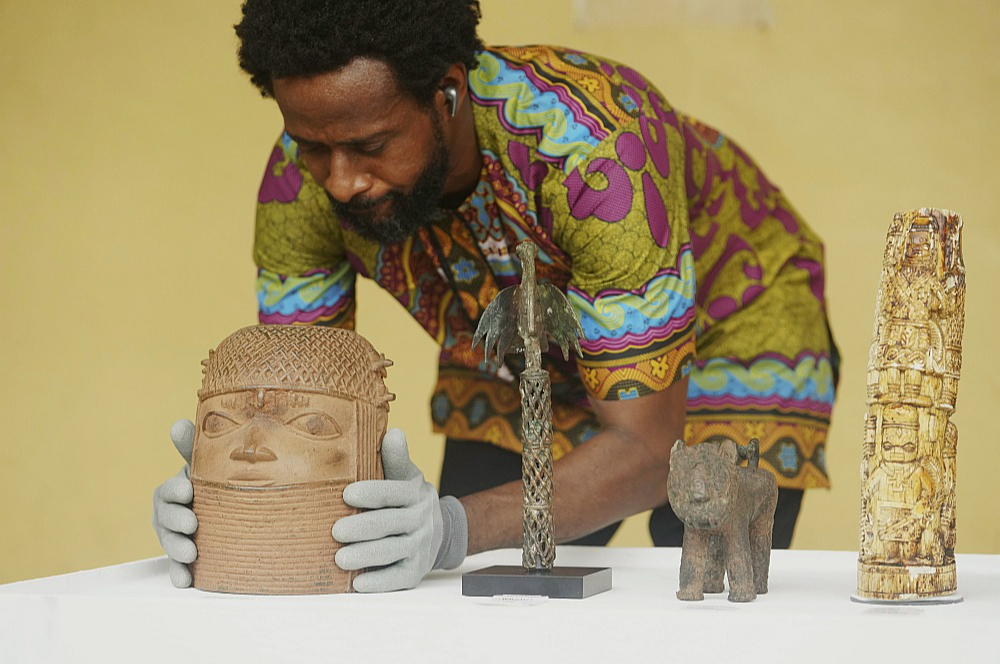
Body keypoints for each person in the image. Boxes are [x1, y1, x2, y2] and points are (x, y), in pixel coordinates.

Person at [152, 0, 839, 593]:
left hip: (731, 328)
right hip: (515, 339)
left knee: (705, 584)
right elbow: (302, 401)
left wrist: (454, 527)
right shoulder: (298, 184)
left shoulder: (596, 150)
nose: (340, 182)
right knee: (487, 604)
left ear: (447, 94)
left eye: (372, 144)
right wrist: (225, 502)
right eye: (310, 146)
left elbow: (648, 448)